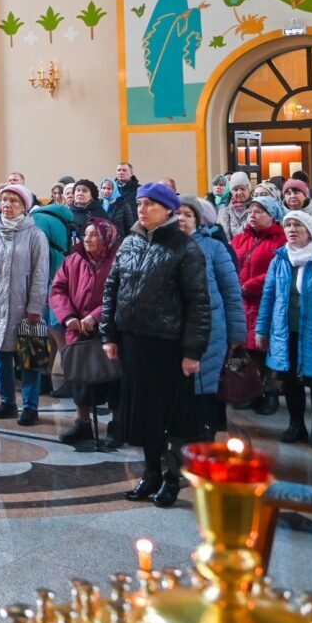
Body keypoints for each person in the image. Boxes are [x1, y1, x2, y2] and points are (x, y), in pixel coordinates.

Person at [101, 183, 212, 508]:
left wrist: (193, 352)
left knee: (172, 417)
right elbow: (111, 289)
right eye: (140, 203)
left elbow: (198, 304)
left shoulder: (185, 248)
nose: (142, 208)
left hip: (169, 346)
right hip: (134, 341)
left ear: (168, 210)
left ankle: (173, 479)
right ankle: (150, 474)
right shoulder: (130, 242)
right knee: (144, 414)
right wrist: (109, 335)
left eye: (150, 204)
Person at [0, 184, 51, 425]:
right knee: (1, 356)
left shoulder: (36, 235)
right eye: (4, 200)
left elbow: (41, 274)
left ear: (24, 207)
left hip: (25, 307)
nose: (7, 205)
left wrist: (35, 306)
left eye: (14, 201)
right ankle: (7, 402)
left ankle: (30, 407)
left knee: (28, 359)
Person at [258, 209, 312, 448]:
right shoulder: (280, 259)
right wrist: (261, 329)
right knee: (290, 381)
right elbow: (268, 296)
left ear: (310, 232)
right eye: (288, 225)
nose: (291, 230)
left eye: (297, 226)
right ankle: (296, 424)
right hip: (285, 329)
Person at [178, 195, 246, 442]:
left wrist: (237, 334)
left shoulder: (214, 247)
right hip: (175, 331)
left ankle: (204, 440)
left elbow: (231, 291)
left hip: (211, 330)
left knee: (204, 388)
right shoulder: (164, 246)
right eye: (177, 214)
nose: (181, 219)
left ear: (198, 220)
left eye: (188, 214)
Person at [50, 217, 119, 444]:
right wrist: (68, 316)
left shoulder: (118, 260)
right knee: (80, 378)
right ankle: (83, 423)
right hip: (77, 328)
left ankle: (118, 425)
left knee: (113, 378)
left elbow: (121, 293)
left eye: (94, 235)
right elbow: (58, 289)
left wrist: (96, 316)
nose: (87, 239)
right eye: (86, 234)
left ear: (106, 238)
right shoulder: (73, 260)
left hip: (108, 328)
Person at [233, 195, 287, 416]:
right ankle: (252, 392)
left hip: (267, 301)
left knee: (268, 349)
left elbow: (278, 271)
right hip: (242, 301)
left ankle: (271, 393)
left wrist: (249, 285)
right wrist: (236, 286)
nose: (252, 216)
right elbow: (230, 263)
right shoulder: (241, 238)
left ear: (272, 216)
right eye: (251, 212)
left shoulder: (280, 239)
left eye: (258, 212)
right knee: (248, 350)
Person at [67, 179, 108, 243]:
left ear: (92, 196)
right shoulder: (68, 212)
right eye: (78, 190)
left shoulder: (100, 213)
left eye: (84, 191)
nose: (80, 193)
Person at [106, 162, 139, 237]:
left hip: (134, 230)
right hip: (115, 232)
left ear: (131, 173)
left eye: (124, 170)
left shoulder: (139, 190)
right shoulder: (109, 190)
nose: (121, 172)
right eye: (119, 170)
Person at [217, 172, 253, 238]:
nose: (239, 192)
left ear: (249, 190)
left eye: (242, 189)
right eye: (235, 189)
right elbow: (223, 236)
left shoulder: (256, 209)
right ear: (231, 192)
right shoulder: (224, 211)